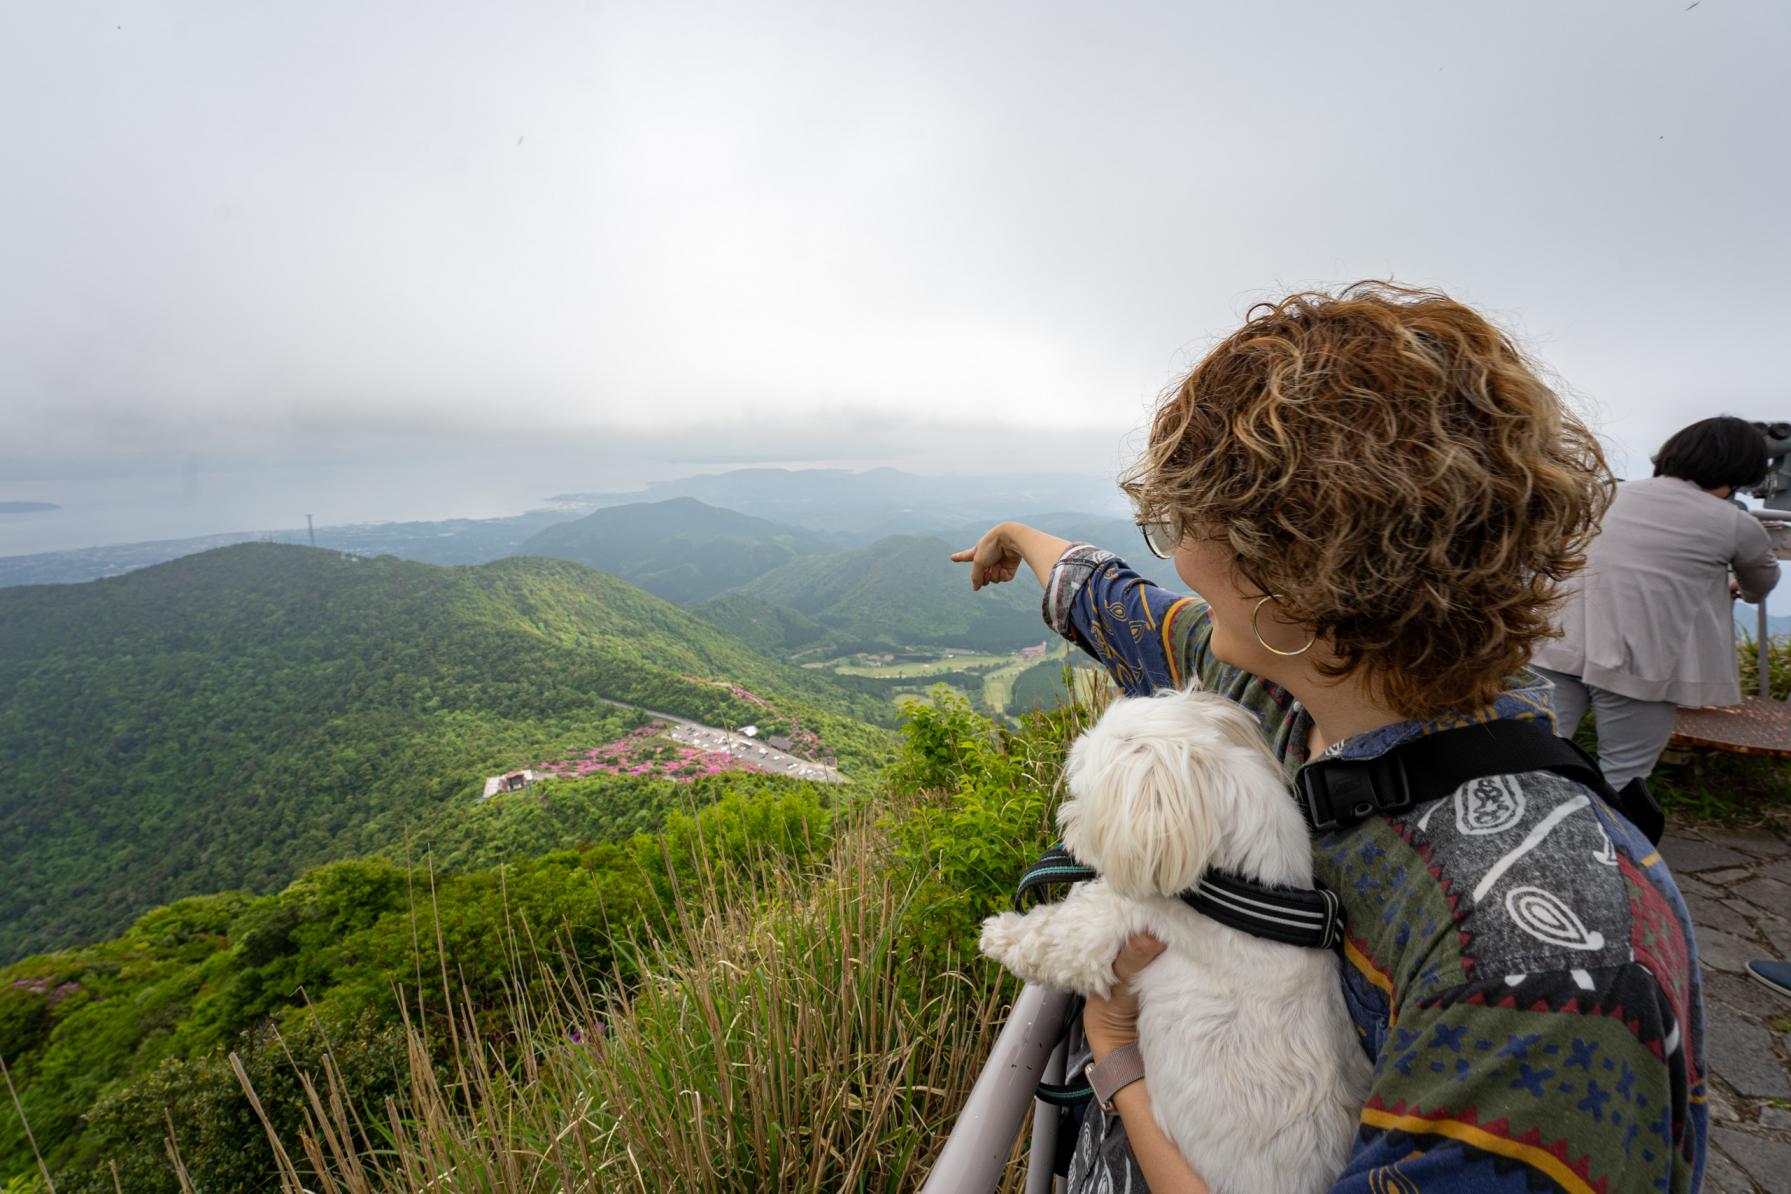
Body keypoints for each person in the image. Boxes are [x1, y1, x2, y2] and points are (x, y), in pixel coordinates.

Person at [953, 283, 1708, 1193]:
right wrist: (1019, 537)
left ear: (1294, 573)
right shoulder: (1268, 687)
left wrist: (1117, 1065)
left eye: (1185, 523)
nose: (1173, 550)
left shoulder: (1554, 959)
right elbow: (1111, 605)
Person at [1532, 416, 1781, 788]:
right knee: (1623, 774)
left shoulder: (1607, 494)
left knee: (1540, 759)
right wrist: (1735, 588)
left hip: (1560, 644)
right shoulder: (1734, 523)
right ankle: (1613, 845)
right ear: (1741, 471)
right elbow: (1761, 582)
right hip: (1640, 663)